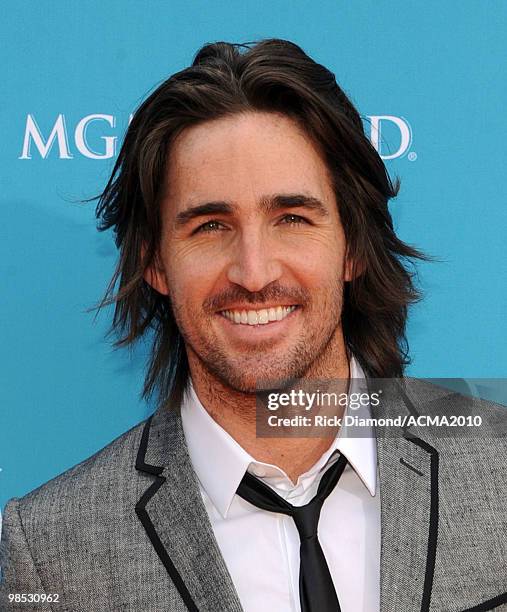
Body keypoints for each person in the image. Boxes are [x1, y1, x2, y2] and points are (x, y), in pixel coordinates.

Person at [1, 39, 505, 612]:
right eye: (210, 226)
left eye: (292, 218)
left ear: (353, 248)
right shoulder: (48, 547)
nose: (254, 272)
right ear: (155, 262)